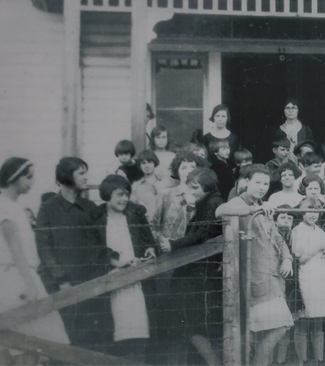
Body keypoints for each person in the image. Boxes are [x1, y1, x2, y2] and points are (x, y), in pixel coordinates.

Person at [0, 158, 70, 366]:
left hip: (19, 275)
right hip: (12, 279)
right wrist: (30, 285)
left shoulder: (12, 207)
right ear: (14, 178)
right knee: (25, 347)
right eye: (28, 177)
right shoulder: (3, 207)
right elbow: (15, 250)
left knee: (31, 346)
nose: (32, 182)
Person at [216, 165, 295, 365]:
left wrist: (287, 258)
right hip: (255, 278)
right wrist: (254, 209)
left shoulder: (264, 205)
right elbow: (220, 210)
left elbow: (278, 239)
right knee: (277, 326)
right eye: (257, 182)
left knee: (278, 326)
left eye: (266, 183)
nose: (262, 187)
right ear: (246, 182)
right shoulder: (240, 202)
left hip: (273, 278)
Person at [36, 157, 113, 349]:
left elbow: (101, 245)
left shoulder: (90, 208)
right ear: (66, 176)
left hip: (92, 286)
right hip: (63, 287)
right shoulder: (48, 208)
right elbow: (44, 249)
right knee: (65, 344)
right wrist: (61, 280)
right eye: (81, 173)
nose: (87, 177)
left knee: (93, 342)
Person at [160, 168, 225, 366]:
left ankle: (215, 362)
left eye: (195, 187)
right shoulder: (206, 202)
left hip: (202, 274)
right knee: (193, 324)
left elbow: (203, 234)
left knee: (193, 324)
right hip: (199, 272)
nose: (192, 191)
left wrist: (174, 244)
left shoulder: (213, 203)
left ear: (207, 187)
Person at [91, 175, 157, 359]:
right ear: (107, 194)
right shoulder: (96, 218)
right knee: (116, 334)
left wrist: (150, 248)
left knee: (139, 334)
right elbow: (95, 249)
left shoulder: (136, 213)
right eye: (120, 194)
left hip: (137, 284)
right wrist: (117, 263)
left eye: (127, 194)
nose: (124, 199)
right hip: (112, 282)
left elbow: (148, 239)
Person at [291, 197, 325, 366]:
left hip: (320, 278)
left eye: (316, 211)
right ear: (302, 211)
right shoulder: (298, 230)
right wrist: (319, 248)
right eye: (309, 210)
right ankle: (302, 360)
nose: (312, 214)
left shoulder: (319, 230)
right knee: (303, 321)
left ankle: (319, 360)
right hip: (305, 278)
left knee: (318, 322)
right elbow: (300, 259)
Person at [130, 150, 167, 221]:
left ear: (154, 163)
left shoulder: (164, 181)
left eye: (150, 162)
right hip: (146, 223)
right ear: (140, 166)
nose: (147, 165)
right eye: (143, 163)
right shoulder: (136, 186)